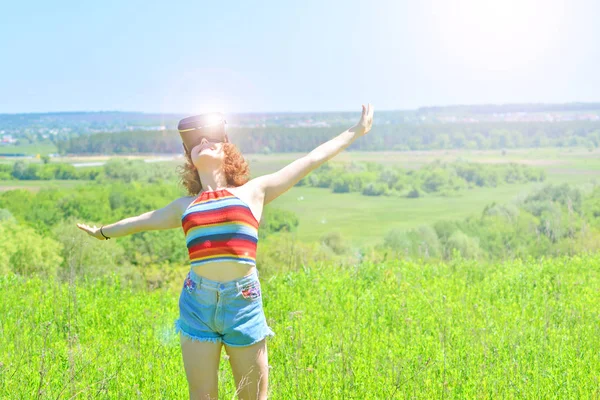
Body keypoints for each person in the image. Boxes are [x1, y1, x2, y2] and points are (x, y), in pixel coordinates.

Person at [76, 104, 374, 400]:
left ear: (227, 151)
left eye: (211, 139)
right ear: (190, 159)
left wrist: (356, 131)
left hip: (242, 305)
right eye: (195, 144)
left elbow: (310, 160)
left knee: (253, 397)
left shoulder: (253, 192)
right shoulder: (184, 206)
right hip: (197, 305)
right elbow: (141, 221)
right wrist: (102, 232)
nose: (203, 143)